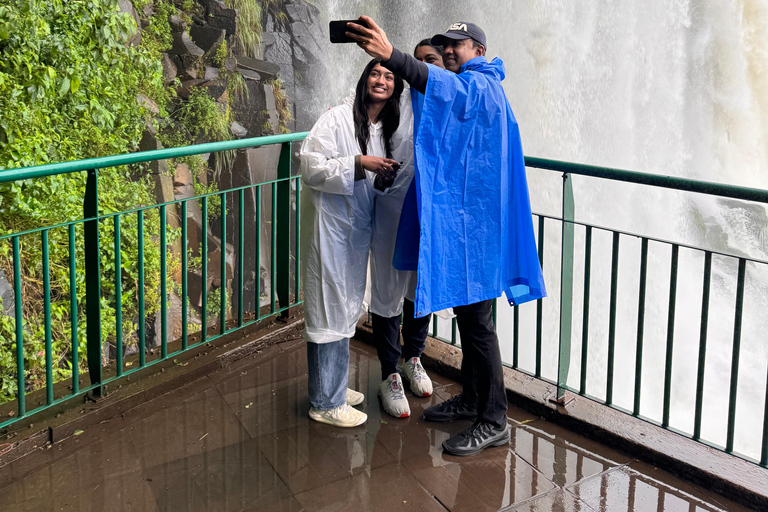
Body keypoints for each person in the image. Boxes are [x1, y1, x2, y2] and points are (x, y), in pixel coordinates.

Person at [347, 18, 547, 455]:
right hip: (469, 231)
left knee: (478, 327)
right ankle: (474, 399)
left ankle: (495, 420)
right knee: (469, 319)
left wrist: (390, 56)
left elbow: (440, 86)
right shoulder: (476, 88)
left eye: (456, 45)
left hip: (476, 234)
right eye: (446, 46)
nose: (450, 51)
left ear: (477, 47)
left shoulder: (482, 85)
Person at [300, 59, 404, 428]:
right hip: (330, 229)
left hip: (355, 231)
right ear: (364, 79)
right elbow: (310, 166)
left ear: (395, 89)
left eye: (389, 76)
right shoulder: (337, 118)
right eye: (375, 73)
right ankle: (325, 402)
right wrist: (360, 163)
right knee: (329, 308)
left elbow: (368, 181)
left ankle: (334, 387)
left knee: (343, 307)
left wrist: (382, 177)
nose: (381, 80)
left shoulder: (381, 128)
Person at [369, 39, 445, 419]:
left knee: (419, 286)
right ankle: (388, 373)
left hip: (428, 212)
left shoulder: (446, 104)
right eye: (416, 63)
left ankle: (414, 357)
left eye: (430, 61)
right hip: (392, 211)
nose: (421, 69)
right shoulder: (396, 105)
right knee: (387, 287)